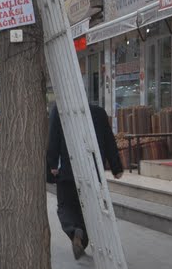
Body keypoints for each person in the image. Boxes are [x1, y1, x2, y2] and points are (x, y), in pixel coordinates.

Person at [46, 102, 123, 260]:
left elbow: (53, 138)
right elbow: (109, 140)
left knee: (65, 206)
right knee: (88, 209)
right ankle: (82, 236)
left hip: (68, 169)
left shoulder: (59, 110)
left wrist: (52, 164)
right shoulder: (99, 112)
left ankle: (74, 230)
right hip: (92, 171)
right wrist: (116, 167)